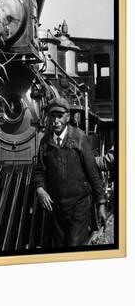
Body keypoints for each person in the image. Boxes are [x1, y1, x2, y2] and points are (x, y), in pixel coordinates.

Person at [33, 98, 107, 247]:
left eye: (60, 116)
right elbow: (39, 171)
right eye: (53, 116)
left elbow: (93, 172)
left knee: (74, 245)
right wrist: (40, 189)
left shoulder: (79, 138)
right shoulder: (45, 142)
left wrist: (101, 203)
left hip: (79, 206)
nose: (56, 120)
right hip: (56, 208)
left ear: (67, 117)